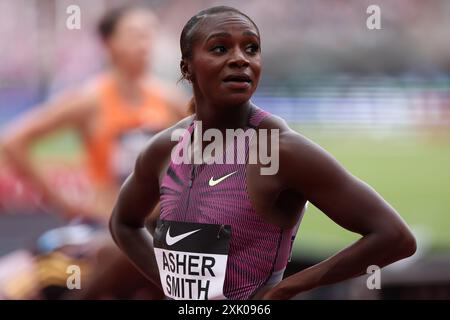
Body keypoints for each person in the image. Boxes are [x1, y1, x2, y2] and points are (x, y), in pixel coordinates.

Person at [109, 6, 416, 300]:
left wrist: (285, 290)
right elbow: (122, 222)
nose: (240, 59)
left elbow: (394, 237)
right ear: (186, 67)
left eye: (251, 48)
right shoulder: (165, 148)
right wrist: (170, 284)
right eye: (220, 49)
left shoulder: (280, 149)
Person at [0, 5, 186, 299]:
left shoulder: (171, 102)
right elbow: (13, 141)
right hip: (101, 225)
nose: (144, 44)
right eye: (135, 35)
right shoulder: (90, 100)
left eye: (149, 35)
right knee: (13, 284)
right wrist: (61, 198)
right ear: (109, 43)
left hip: (156, 230)